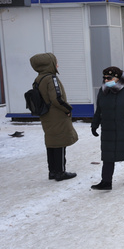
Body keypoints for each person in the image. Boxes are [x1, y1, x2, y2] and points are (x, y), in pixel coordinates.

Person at [90, 66, 124, 190]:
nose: (106, 80)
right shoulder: (103, 91)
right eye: (104, 78)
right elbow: (99, 110)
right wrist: (95, 124)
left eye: (109, 78)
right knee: (107, 156)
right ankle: (106, 181)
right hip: (108, 129)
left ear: (117, 78)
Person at [29, 53, 78, 181]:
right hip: (57, 115)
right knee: (60, 142)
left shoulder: (38, 79)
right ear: (48, 64)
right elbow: (56, 98)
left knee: (51, 142)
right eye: (55, 62)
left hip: (46, 115)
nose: (58, 65)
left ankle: (52, 171)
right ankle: (60, 172)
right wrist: (68, 109)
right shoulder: (51, 78)